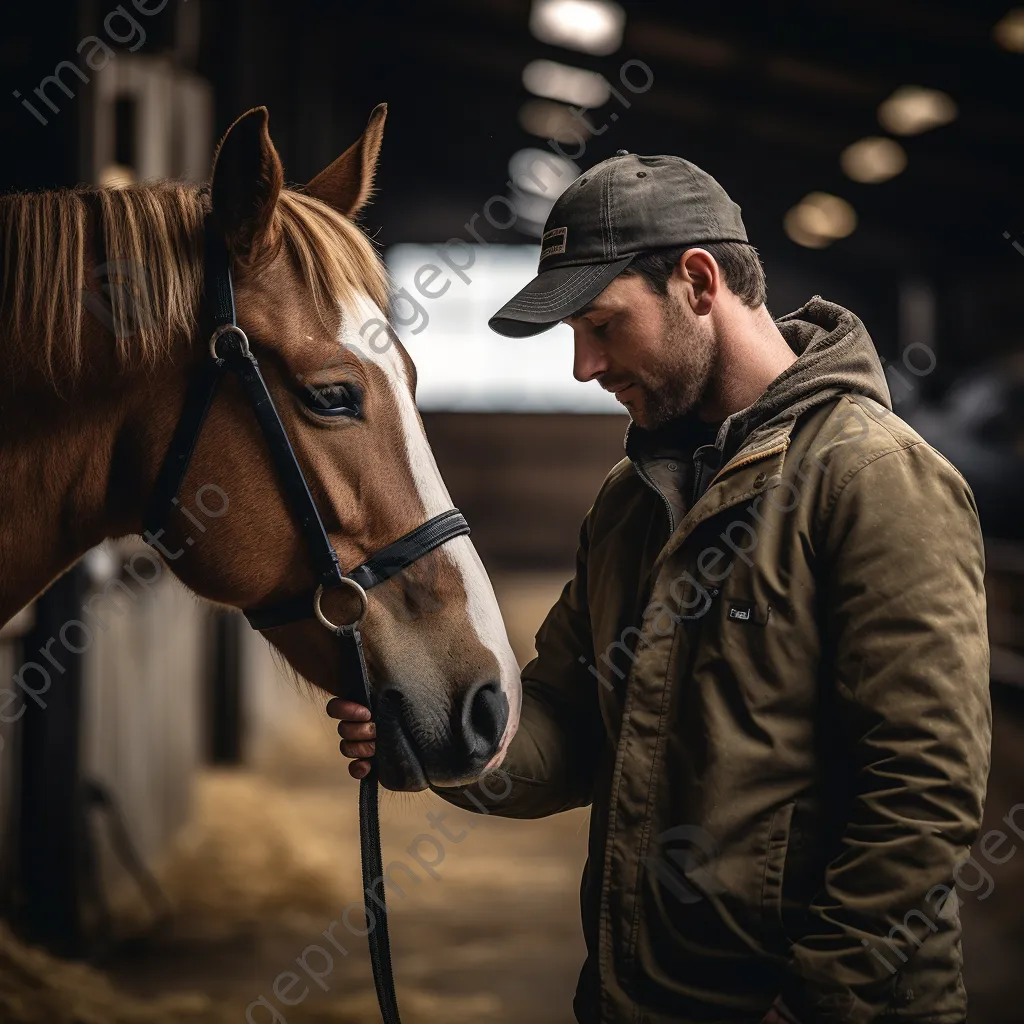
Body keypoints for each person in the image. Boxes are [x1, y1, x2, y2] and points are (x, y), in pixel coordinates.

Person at [328, 152, 991, 1024]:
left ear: (699, 280)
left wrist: (822, 1000)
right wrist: (442, 741)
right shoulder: (630, 501)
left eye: (602, 325)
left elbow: (924, 791)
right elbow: (566, 722)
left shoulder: (873, 479)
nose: (583, 367)